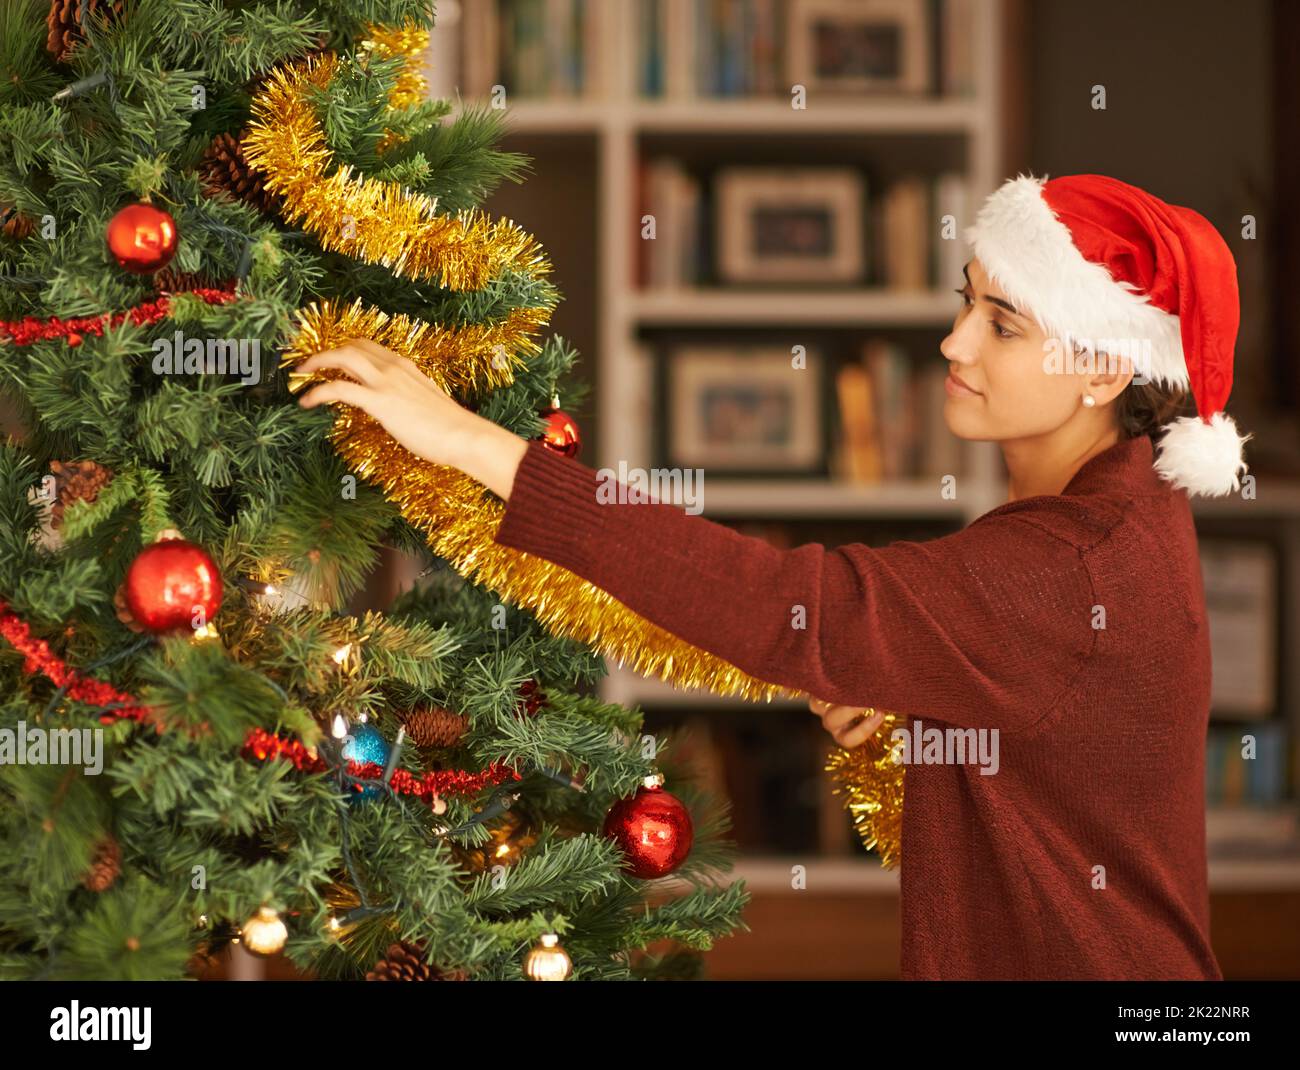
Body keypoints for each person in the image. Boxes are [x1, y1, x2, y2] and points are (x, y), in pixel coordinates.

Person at [293, 173, 1250, 980]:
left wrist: (472, 442)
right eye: (967, 299)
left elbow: (772, 600)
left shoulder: (1065, 564)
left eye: (1004, 325)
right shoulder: (1123, 515)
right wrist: (931, 700)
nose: (955, 342)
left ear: (1102, 371)